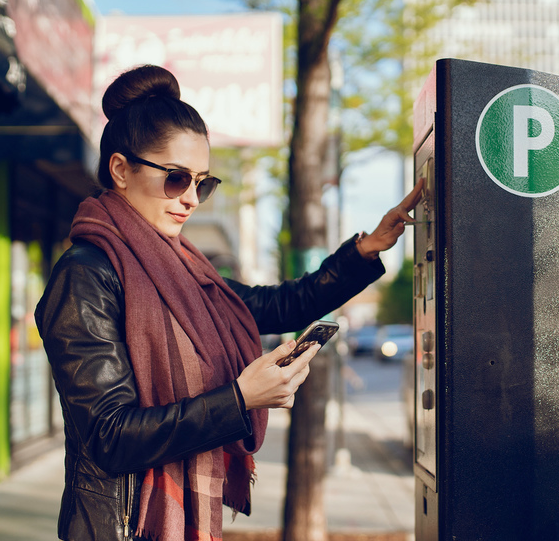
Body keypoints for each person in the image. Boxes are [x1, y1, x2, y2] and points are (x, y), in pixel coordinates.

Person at [34, 64, 424, 541]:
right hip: (119, 527)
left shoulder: (185, 269)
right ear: (120, 169)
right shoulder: (86, 274)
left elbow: (277, 306)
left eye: (203, 183)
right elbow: (110, 436)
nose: (193, 198)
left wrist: (366, 252)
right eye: (177, 178)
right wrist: (240, 400)